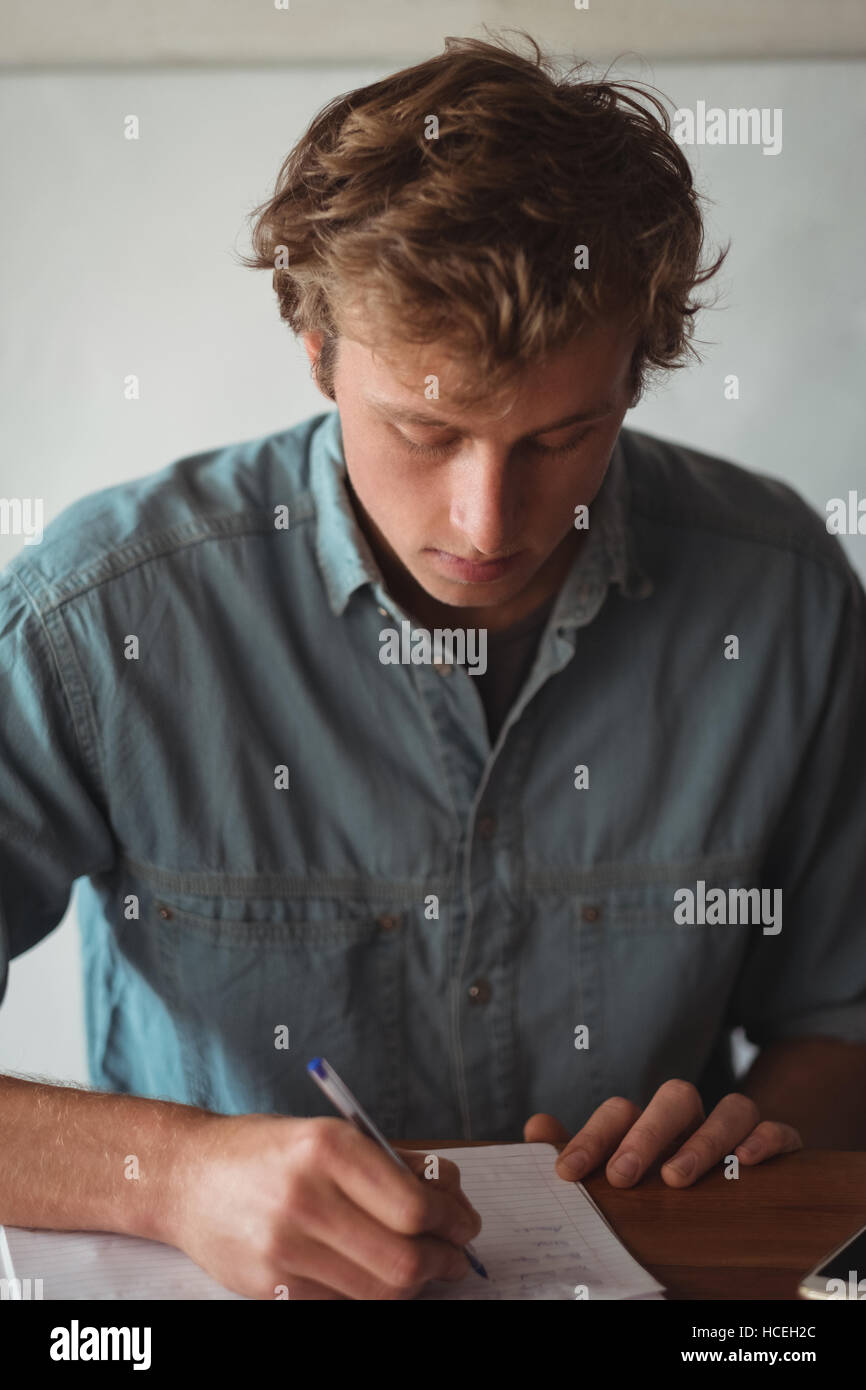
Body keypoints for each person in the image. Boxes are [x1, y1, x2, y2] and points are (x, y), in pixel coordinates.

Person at [1, 33, 865, 1302]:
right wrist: (170, 1174)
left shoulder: (780, 593)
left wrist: (753, 1132)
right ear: (315, 349)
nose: (485, 521)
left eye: (564, 436)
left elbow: (840, 1017)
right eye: (424, 428)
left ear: (638, 372)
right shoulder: (101, 614)